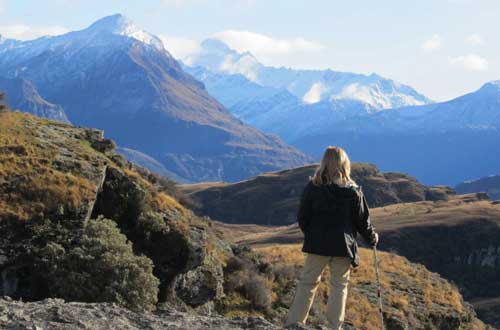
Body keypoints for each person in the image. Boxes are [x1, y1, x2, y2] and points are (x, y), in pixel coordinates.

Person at [285, 146, 378, 329]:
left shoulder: (313, 187)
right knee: (339, 287)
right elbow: (362, 222)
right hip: (343, 247)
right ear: (345, 164)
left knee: (307, 283)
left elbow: (303, 216)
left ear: (324, 162)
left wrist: (312, 235)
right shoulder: (353, 191)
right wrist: (372, 237)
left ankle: (294, 324)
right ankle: (334, 326)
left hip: (317, 244)